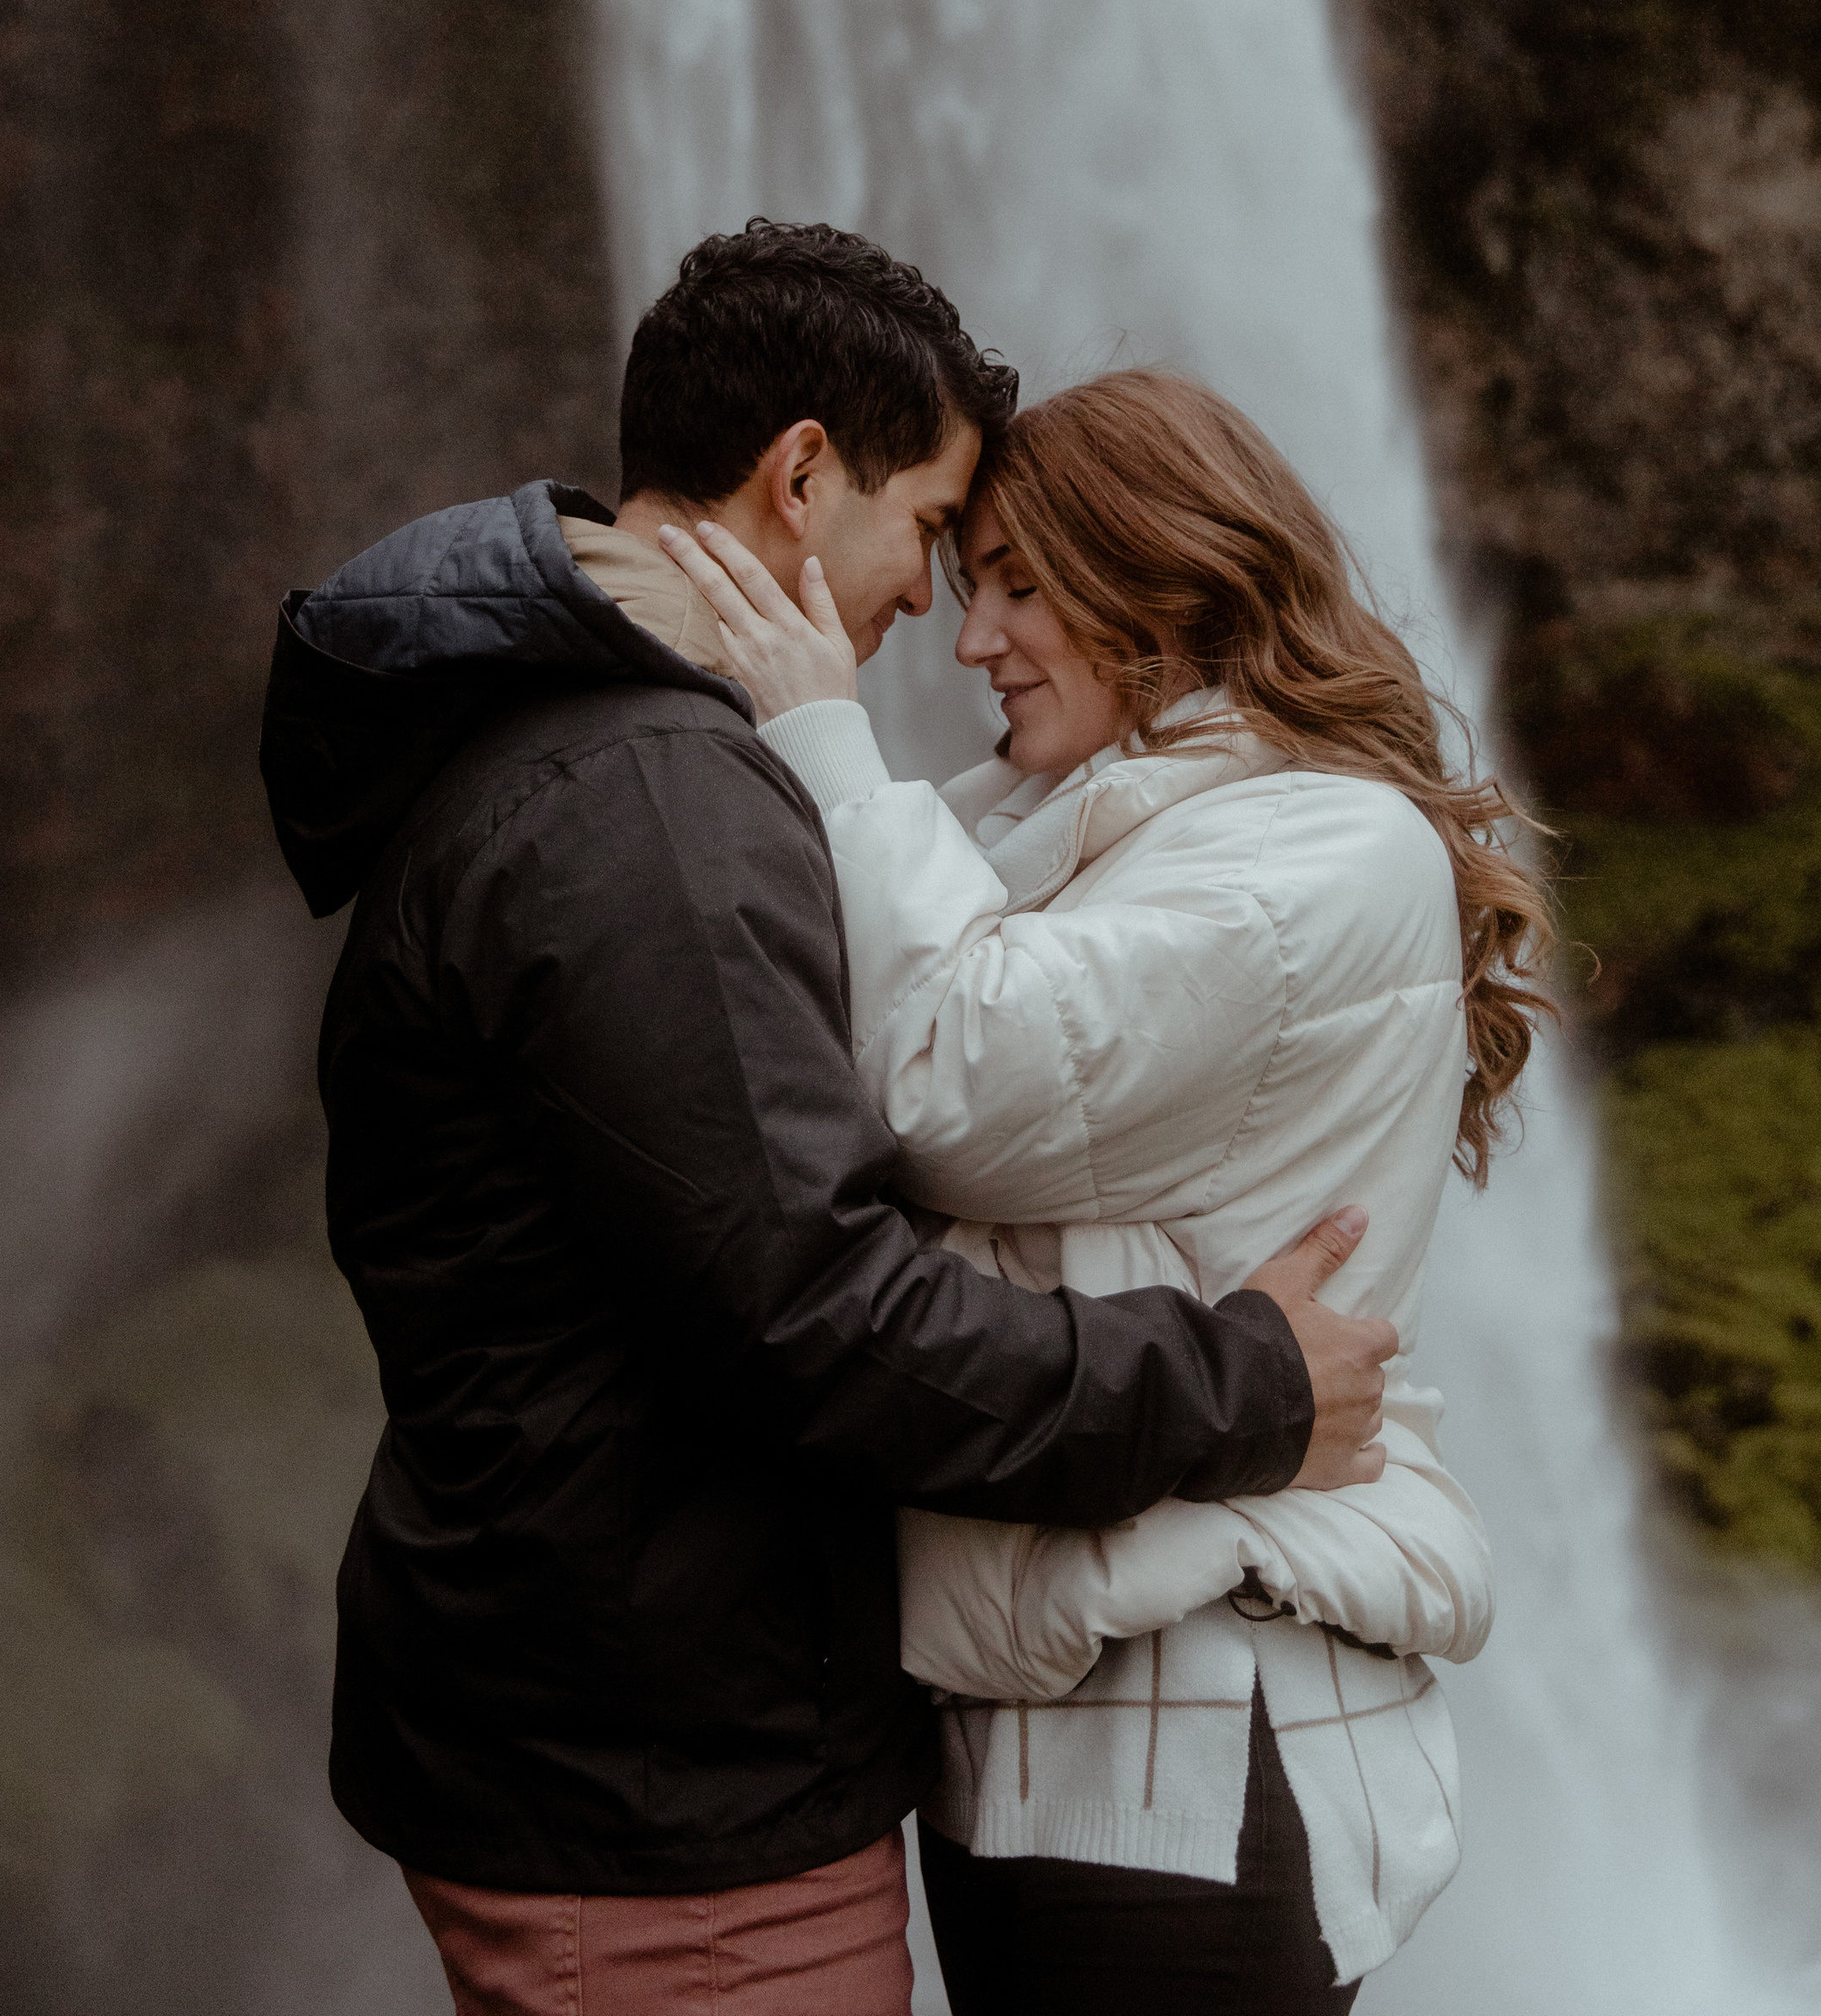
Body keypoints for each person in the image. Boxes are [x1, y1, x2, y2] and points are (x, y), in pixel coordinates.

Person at [260, 226, 1403, 2016]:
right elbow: (816, 1313)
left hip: (625, 1731)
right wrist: (1244, 1384)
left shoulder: (578, 753)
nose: (937, 621)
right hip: (661, 1788)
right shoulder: (650, 802)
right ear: (802, 476)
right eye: (936, 536)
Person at [665, 363, 1554, 2016]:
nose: (970, 637)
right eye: (964, 573)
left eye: (1017, 584)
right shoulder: (1073, 822)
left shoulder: (1323, 846)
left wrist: (817, 731)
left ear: (1165, 577)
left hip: (1200, 1734)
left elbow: (956, 1087)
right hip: (1051, 1721)